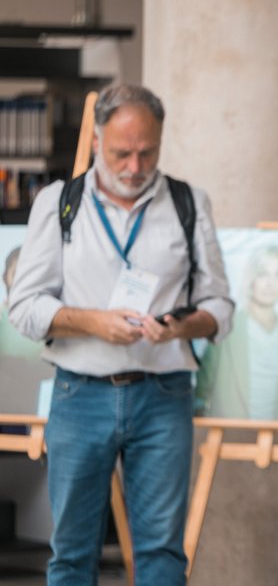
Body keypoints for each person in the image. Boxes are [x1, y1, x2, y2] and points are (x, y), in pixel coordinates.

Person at [8, 84, 234, 585]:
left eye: (147, 152)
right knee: (71, 555)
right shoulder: (57, 203)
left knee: (161, 555)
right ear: (95, 142)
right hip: (79, 393)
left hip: (164, 396)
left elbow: (220, 305)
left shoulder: (187, 203)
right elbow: (23, 308)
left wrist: (181, 325)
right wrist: (94, 322)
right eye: (121, 153)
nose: (134, 167)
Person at [196, 243, 278, 420]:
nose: (270, 283)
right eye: (263, 273)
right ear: (251, 277)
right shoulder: (226, 326)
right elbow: (203, 389)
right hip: (230, 436)